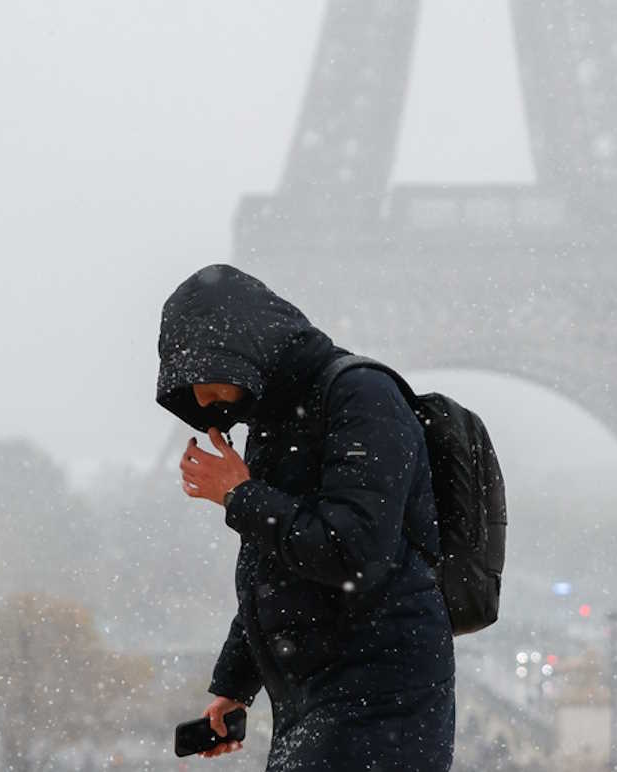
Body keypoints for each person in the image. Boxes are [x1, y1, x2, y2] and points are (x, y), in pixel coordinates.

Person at [156, 264, 455, 771]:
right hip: (324, 697)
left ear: (239, 351)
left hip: (377, 697)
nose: (200, 402)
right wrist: (235, 685)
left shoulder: (361, 396)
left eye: (200, 379)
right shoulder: (277, 420)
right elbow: (275, 574)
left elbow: (355, 552)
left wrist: (239, 496)